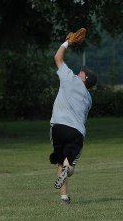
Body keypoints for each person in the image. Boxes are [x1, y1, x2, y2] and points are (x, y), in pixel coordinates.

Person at [49, 35, 97, 205]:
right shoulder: (89, 98)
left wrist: (67, 42)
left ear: (83, 79)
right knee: (69, 165)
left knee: (61, 162)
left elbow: (58, 57)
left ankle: (64, 197)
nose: (79, 72)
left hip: (57, 127)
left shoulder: (69, 79)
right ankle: (68, 169)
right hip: (75, 131)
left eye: (81, 72)